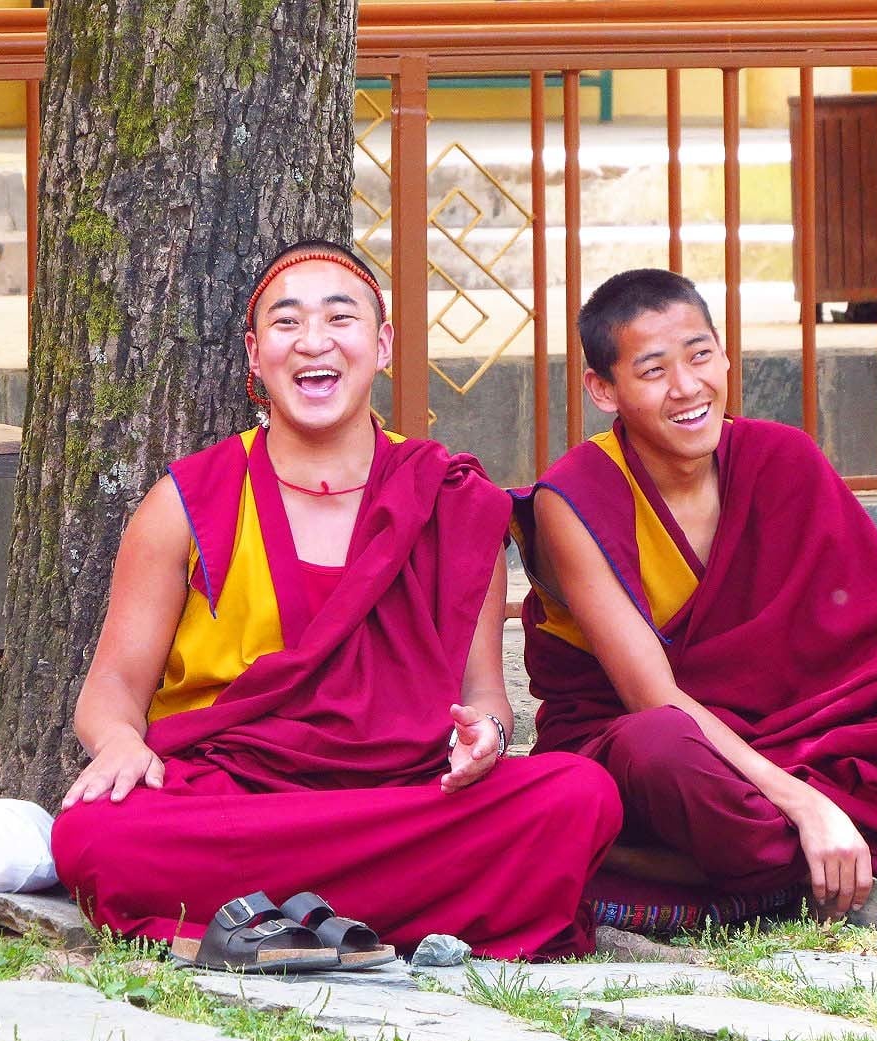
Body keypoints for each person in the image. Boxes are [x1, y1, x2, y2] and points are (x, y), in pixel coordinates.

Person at [51, 240, 621, 965]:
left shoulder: (450, 497)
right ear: (255, 355)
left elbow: (484, 694)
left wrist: (486, 734)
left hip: (404, 790)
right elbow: (112, 687)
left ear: (381, 345)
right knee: (95, 834)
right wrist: (123, 744)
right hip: (235, 796)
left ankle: (257, 918)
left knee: (579, 792)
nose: (314, 342)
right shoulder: (188, 502)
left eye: (339, 319)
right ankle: (379, 912)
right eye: (287, 324)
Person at [512, 268, 877, 929]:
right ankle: (832, 862)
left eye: (699, 355)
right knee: (662, 749)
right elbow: (652, 698)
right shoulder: (575, 498)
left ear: (724, 355)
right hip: (673, 754)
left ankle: (759, 878)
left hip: (800, 734)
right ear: (603, 389)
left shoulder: (780, 459)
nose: (686, 387)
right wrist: (809, 806)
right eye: (653, 371)